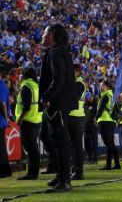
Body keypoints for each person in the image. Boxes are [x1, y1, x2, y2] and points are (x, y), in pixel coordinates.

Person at [39, 23, 78, 192]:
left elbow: (58, 79)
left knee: (61, 142)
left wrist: (47, 96)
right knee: (53, 140)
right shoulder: (57, 52)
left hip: (57, 105)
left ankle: (64, 180)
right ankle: (61, 175)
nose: (42, 36)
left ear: (52, 35)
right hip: (56, 105)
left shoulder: (56, 53)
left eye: (45, 33)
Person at [15, 68, 42, 180]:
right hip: (36, 119)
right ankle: (34, 172)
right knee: (33, 147)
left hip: (28, 120)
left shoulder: (26, 87)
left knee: (31, 148)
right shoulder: (36, 86)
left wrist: (20, 119)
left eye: (21, 74)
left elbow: (26, 106)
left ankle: (32, 173)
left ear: (25, 76)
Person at [96, 80, 120, 170]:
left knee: (108, 144)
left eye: (102, 86)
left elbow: (100, 109)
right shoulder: (111, 96)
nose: (101, 87)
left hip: (104, 121)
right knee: (111, 144)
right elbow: (117, 109)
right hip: (111, 121)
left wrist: (95, 118)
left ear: (107, 87)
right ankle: (117, 164)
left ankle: (108, 165)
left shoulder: (105, 96)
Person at [68, 64, 86, 180]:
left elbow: (73, 99)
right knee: (74, 146)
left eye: (73, 72)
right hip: (74, 116)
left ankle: (79, 172)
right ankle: (75, 170)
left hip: (76, 117)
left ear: (78, 72)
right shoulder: (75, 83)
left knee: (77, 146)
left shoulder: (79, 84)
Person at [0, 66, 12, 178]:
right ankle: (4, 170)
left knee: (1, 147)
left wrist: (6, 118)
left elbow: (2, 104)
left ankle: (4, 171)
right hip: (2, 120)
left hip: (0, 121)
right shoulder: (3, 85)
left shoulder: (1, 85)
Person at [83, 92, 98, 164]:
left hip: (92, 126)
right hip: (85, 126)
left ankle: (94, 159)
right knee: (87, 143)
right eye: (87, 98)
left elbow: (94, 112)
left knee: (93, 143)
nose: (88, 99)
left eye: (89, 97)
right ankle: (89, 158)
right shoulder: (85, 104)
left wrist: (93, 99)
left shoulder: (94, 103)